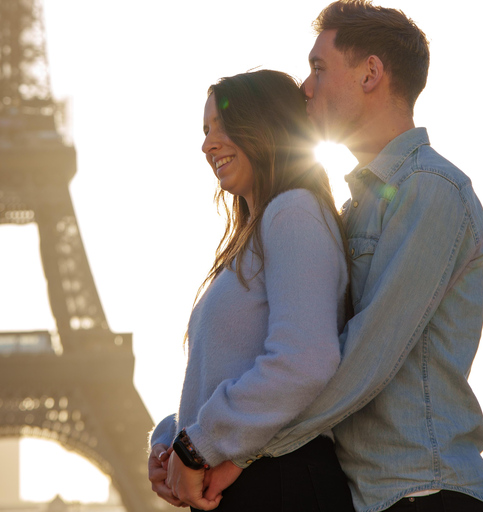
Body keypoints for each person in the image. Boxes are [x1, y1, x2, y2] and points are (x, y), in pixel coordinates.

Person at [191, 2, 483, 511]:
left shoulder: (430, 190)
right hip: (371, 493)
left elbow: (366, 357)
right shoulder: (355, 207)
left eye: (318, 68)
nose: (306, 88)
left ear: (371, 72)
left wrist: (243, 451)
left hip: (421, 489)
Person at [147, 69, 355, 511]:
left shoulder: (293, 212)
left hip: (280, 481)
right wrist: (172, 440)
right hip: (253, 478)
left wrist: (194, 447)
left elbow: (305, 361)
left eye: (223, 127)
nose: (207, 144)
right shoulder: (259, 233)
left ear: (268, 126)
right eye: (205, 132)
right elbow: (231, 368)